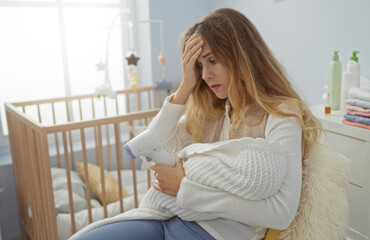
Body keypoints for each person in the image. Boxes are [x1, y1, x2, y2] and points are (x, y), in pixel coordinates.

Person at [73, 7, 322, 240]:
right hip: (170, 215)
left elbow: (281, 212)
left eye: (212, 61)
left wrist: (185, 188)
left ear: (241, 57)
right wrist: (185, 87)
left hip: (214, 233)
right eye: (199, 66)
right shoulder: (212, 110)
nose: (205, 75)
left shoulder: (281, 115)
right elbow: (154, 145)